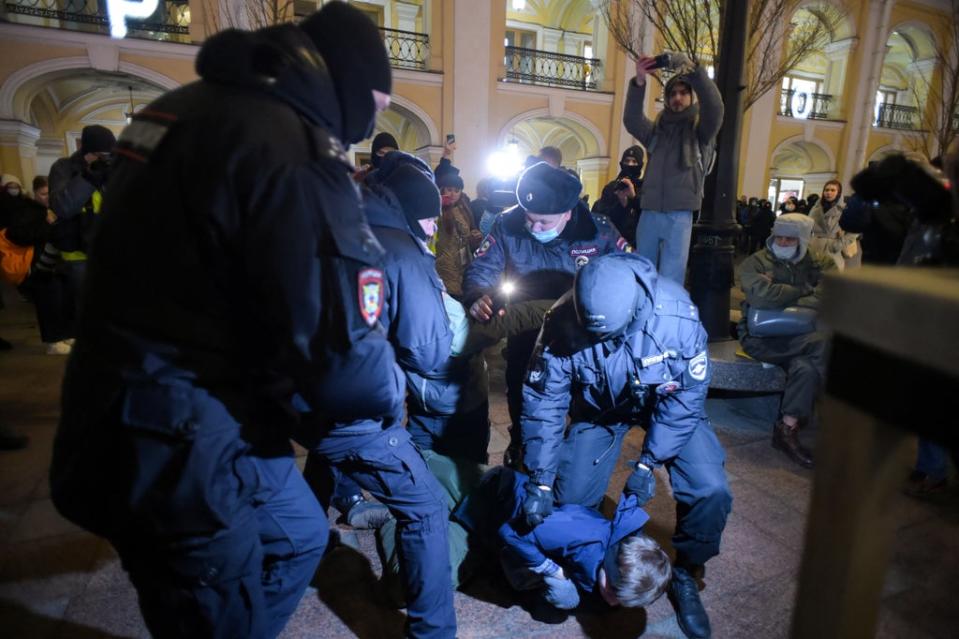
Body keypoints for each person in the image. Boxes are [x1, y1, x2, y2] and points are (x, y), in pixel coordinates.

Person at [47, 5, 429, 638]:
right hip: (185, 444)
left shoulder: (177, 109)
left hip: (126, 401)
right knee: (209, 607)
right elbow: (345, 359)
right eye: (377, 104)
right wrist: (391, 387)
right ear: (347, 85)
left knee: (301, 535)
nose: (372, 121)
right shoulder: (296, 150)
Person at [519, 252, 732, 639]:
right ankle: (592, 567)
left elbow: (686, 397)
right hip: (602, 409)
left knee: (711, 490)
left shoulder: (677, 317)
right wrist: (541, 478)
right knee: (568, 498)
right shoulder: (562, 319)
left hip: (668, 409)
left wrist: (649, 463)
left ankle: (686, 571)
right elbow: (544, 403)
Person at [306, 151, 450, 531]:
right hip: (361, 388)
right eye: (430, 219)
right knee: (427, 509)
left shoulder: (340, 227)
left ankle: (309, 528)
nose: (434, 229)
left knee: (326, 443)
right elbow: (426, 352)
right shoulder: (404, 253)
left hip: (312, 376)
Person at [463, 162, 627, 465]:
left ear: (568, 212)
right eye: (530, 219)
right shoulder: (507, 223)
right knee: (522, 398)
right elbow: (482, 269)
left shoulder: (599, 231)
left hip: (582, 341)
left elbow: (628, 278)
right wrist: (477, 296)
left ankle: (572, 465)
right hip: (526, 336)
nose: (534, 227)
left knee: (580, 407)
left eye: (543, 222)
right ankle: (521, 451)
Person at [377, 457, 671, 612]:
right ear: (609, 565)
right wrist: (551, 570)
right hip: (479, 502)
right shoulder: (575, 532)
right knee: (415, 587)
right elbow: (508, 529)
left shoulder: (623, 557)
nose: (613, 602)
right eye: (612, 593)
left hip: (490, 538)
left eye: (620, 600)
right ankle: (392, 520)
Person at [737, 214, 835, 469]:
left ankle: (786, 429)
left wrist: (780, 294)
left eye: (790, 238)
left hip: (801, 338)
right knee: (824, 343)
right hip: (761, 339)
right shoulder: (756, 262)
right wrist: (805, 291)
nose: (782, 242)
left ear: (803, 240)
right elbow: (760, 298)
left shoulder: (820, 262)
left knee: (806, 368)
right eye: (778, 236)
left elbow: (832, 295)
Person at [624, 53, 723, 285]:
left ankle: (666, 318)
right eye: (672, 93)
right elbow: (632, 120)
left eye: (683, 92)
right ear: (667, 99)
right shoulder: (657, 130)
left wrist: (694, 72)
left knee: (671, 277)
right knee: (643, 272)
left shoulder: (701, 130)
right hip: (649, 211)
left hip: (680, 214)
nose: (678, 97)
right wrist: (639, 81)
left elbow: (715, 107)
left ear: (691, 96)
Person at [48, 124, 116, 309]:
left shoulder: (110, 169)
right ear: (89, 152)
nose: (108, 159)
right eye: (103, 155)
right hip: (78, 255)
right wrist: (90, 177)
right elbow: (63, 207)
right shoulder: (64, 168)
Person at [435, 167, 482, 299]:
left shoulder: (464, 208)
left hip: (463, 264)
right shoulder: (436, 210)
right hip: (443, 264)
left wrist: (475, 237)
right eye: (449, 189)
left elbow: (467, 236)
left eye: (457, 190)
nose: (453, 194)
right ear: (442, 189)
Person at [592, 145, 645, 243]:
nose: (630, 164)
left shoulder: (644, 188)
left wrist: (633, 198)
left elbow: (646, 216)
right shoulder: (611, 188)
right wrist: (622, 205)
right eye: (627, 161)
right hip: (612, 240)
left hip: (636, 242)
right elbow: (602, 216)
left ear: (640, 165)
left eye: (634, 162)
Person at [810, 180, 860, 271]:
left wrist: (840, 243)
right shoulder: (816, 208)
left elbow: (854, 231)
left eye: (833, 190)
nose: (829, 193)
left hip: (833, 250)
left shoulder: (845, 209)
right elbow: (807, 226)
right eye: (826, 190)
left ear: (838, 193)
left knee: (831, 280)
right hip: (814, 248)